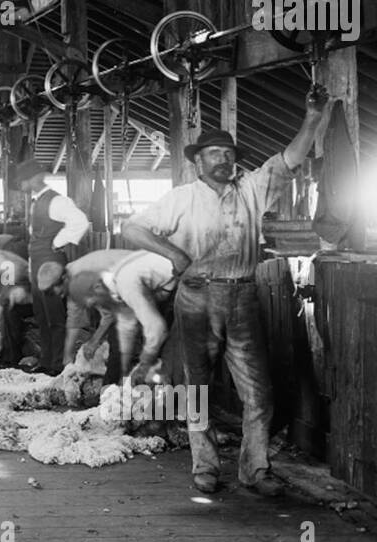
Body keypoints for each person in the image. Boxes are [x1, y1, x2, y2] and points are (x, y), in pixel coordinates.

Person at [120, 90, 329, 497]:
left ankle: (255, 469)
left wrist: (312, 117)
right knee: (197, 387)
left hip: (242, 296)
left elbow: (291, 159)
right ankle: (205, 467)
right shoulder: (180, 198)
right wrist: (174, 254)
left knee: (258, 390)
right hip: (196, 297)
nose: (223, 159)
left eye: (228, 153)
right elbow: (132, 228)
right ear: (197, 161)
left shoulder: (252, 189)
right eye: (214, 153)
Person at [35, 249, 176, 384]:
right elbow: (75, 318)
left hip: (155, 281)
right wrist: (70, 354)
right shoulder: (73, 281)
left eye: (52, 291)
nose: (55, 296)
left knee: (140, 338)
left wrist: (95, 341)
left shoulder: (85, 279)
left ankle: (117, 389)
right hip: (140, 283)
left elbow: (110, 314)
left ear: (63, 279)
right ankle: (122, 385)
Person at [14, 158, 90, 377]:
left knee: (54, 314)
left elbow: (80, 222)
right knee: (41, 313)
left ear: (34, 179)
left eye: (23, 181)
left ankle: (57, 363)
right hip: (37, 262)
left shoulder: (57, 201)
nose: (21, 185)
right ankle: (46, 360)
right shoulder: (37, 201)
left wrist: (56, 243)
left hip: (51, 261)